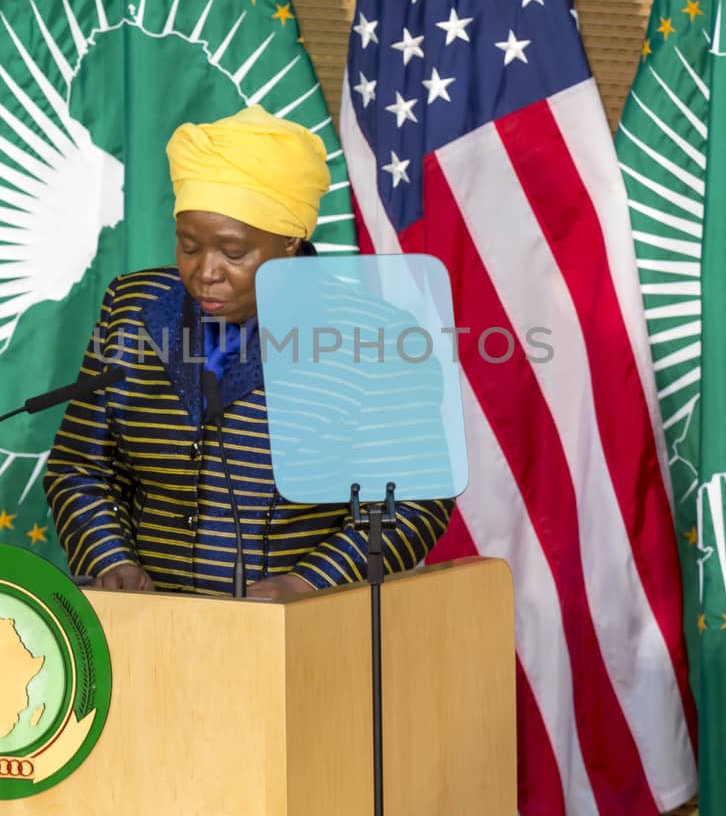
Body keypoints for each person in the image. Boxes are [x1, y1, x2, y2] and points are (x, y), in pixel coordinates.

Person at [43, 104, 452, 598]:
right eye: (189, 246)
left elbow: (413, 500)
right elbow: (80, 466)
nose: (206, 271)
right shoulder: (131, 308)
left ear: (289, 243)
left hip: (299, 637)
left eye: (233, 253)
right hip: (146, 628)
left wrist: (308, 583)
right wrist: (111, 560)